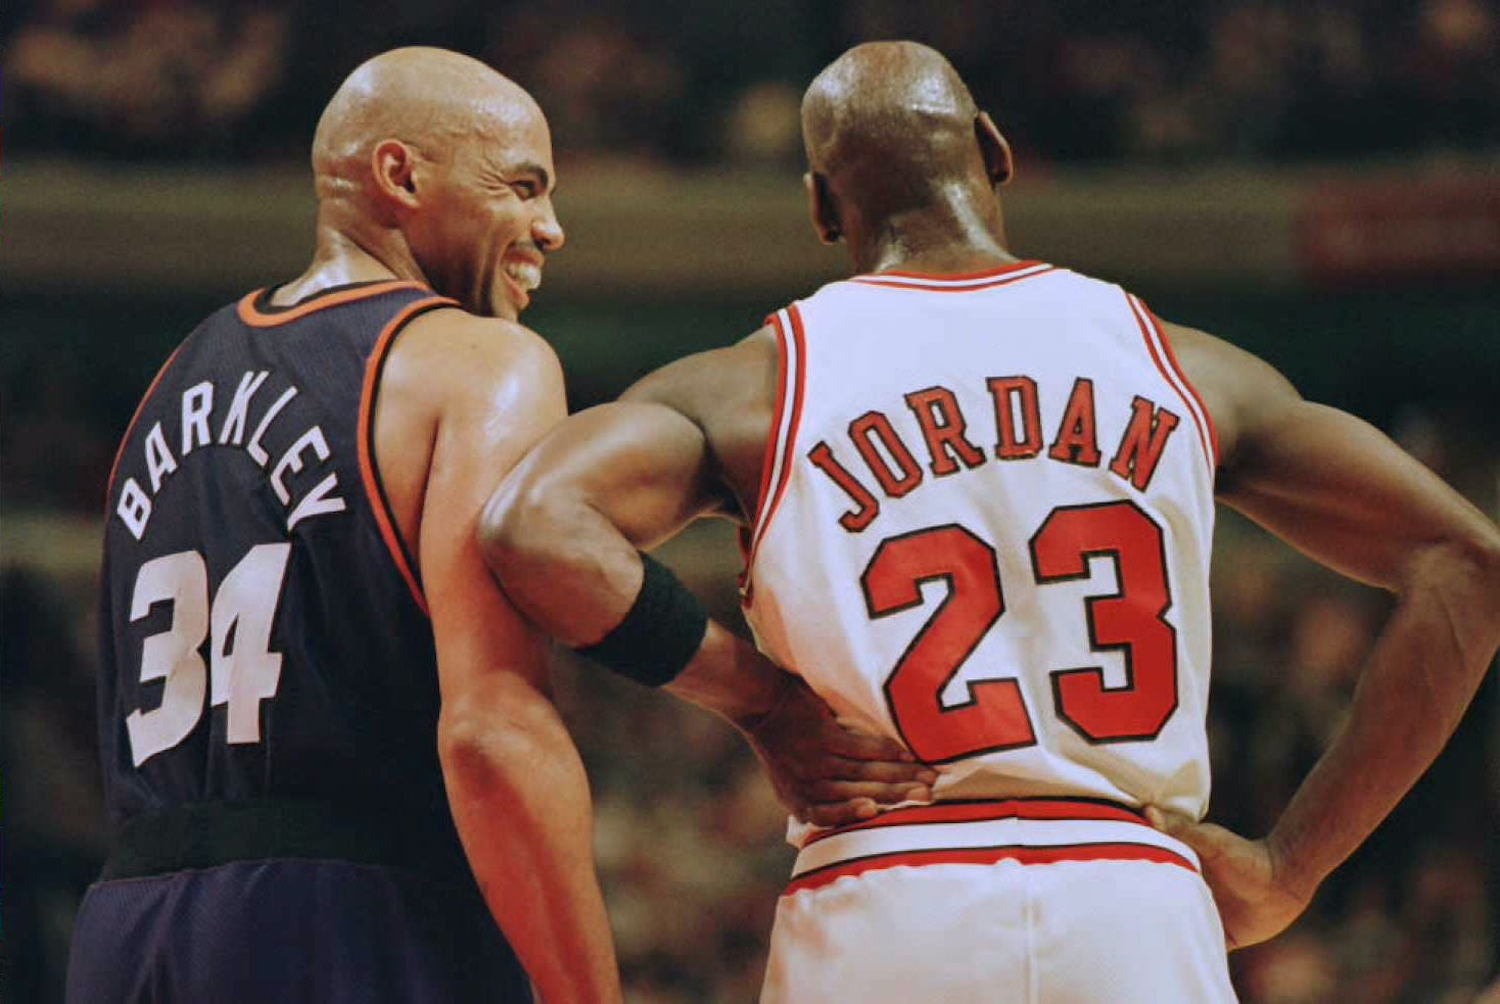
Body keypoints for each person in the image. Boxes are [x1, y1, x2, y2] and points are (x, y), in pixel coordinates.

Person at [479, 40, 1500, 1003]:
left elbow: (534, 523)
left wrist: (762, 703)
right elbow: (1468, 562)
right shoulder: (1186, 365)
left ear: (822, 207)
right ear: (997, 152)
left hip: (886, 892)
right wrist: (1292, 863)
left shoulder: (757, 383)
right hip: (1132, 893)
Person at [69, 47, 930, 1004]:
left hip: (127, 922)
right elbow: (489, 731)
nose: (552, 228)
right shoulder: (476, 362)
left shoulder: (169, 382)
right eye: (521, 187)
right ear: (401, 176)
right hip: (341, 915)